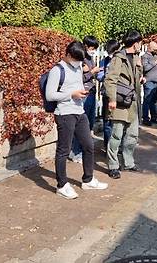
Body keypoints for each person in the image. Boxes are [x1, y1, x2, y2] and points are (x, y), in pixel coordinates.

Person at [45, 41, 108, 199]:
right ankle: (62, 185)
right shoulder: (57, 70)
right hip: (65, 113)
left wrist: (82, 92)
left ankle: (88, 179)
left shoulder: (78, 66)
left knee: (88, 145)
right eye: (77, 59)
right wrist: (71, 94)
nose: (79, 63)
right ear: (68, 55)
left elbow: (78, 84)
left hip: (79, 111)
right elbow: (50, 95)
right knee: (63, 150)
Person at [104, 30, 144, 179]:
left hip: (132, 101)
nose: (141, 45)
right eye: (140, 43)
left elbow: (136, 78)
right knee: (116, 135)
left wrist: (140, 69)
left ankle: (128, 162)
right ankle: (113, 165)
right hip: (120, 102)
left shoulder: (135, 58)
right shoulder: (118, 59)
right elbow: (110, 80)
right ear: (136, 44)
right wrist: (112, 99)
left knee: (132, 134)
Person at [70, 35, 102, 163]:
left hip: (91, 93)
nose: (93, 51)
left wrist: (97, 74)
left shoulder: (90, 59)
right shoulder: (79, 60)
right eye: (92, 48)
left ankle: (83, 150)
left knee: (88, 125)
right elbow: (77, 78)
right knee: (80, 125)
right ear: (86, 46)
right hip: (82, 95)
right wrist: (91, 72)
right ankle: (75, 152)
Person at [100, 39, 120, 150]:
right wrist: (106, 77)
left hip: (118, 95)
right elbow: (99, 75)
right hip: (106, 94)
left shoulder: (122, 61)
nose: (110, 55)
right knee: (107, 121)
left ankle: (117, 146)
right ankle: (107, 145)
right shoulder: (105, 61)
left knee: (117, 122)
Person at [141, 40, 157, 126]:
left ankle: (154, 117)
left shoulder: (156, 55)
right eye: (154, 49)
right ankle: (145, 118)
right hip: (149, 81)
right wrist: (155, 62)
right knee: (147, 100)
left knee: (153, 101)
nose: (156, 50)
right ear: (150, 48)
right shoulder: (145, 56)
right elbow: (145, 68)